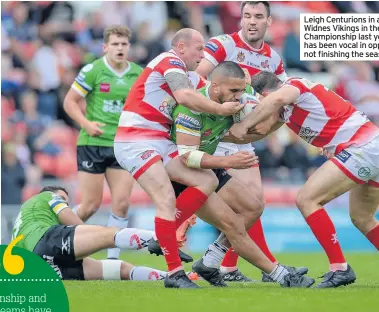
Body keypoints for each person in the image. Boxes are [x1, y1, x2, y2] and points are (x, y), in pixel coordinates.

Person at [229, 71, 379, 288]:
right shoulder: (285, 110)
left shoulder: (294, 85)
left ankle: (340, 268)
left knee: (306, 199)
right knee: (363, 217)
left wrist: (243, 125)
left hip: (362, 148)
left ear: (264, 94)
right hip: (378, 147)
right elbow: (262, 130)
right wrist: (223, 134)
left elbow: (276, 99)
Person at [113, 28, 243, 288]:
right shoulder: (169, 60)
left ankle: (165, 235)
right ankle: (174, 274)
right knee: (166, 199)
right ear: (181, 47)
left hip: (159, 140)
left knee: (207, 180)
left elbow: (216, 89)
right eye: (199, 48)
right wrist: (219, 109)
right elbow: (185, 97)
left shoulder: (189, 76)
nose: (203, 54)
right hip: (135, 139)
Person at [169, 63, 312, 287]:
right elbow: (187, 157)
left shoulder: (236, 101)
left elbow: (260, 129)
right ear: (215, 86)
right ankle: (280, 275)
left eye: (241, 90)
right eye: (234, 91)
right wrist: (228, 161)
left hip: (206, 167)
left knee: (253, 207)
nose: (239, 97)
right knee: (233, 225)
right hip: (183, 174)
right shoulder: (191, 110)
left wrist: (274, 117)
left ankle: (210, 261)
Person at [195, 1, 287, 281]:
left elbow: (283, 102)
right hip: (219, 134)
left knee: (254, 204)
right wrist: (219, 112)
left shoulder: (273, 59)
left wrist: (262, 132)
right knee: (249, 205)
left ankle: (224, 265)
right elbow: (196, 78)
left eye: (258, 16)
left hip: (244, 137)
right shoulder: (223, 44)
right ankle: (262, 266)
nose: (251, 21)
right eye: (247, 15)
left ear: (269, 22)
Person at [63, 25, 142, 260]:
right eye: (115, 44)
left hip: (123, 145)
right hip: (92, 143)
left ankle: (112, 259)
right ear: (105, 47)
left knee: (121, 203)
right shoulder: (93, 70)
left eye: (124, 44)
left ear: (129, 47)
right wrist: (86, 124)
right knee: (89, 205)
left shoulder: (138, 74)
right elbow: (70, 102)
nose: (119, 48)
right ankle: (59, 240)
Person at [11, 186, 169, 282]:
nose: (65, 203)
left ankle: (170, 277)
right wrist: (89, 236)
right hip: (45, 240)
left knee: (119, 269)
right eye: (63, 200)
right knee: (106, 235)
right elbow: (70, 218)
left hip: (40, 268)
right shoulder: (47, 196)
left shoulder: (24, 221)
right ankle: (162, 237)